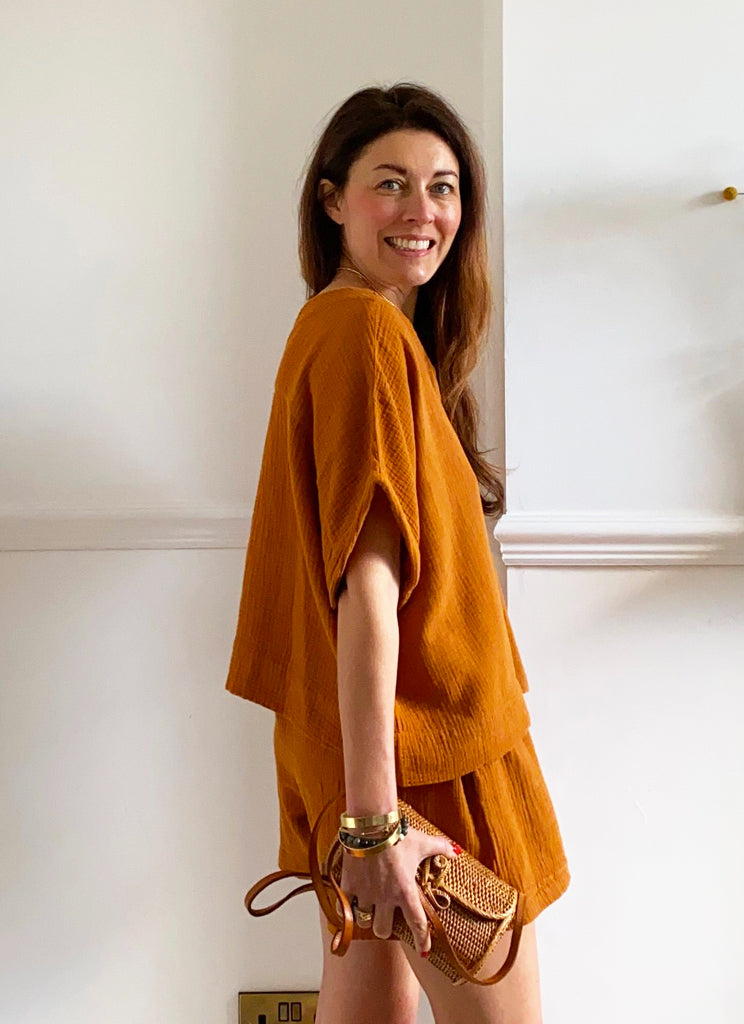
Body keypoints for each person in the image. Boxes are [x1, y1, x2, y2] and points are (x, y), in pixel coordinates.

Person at [225, 82, 570, 1024]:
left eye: (443, 187)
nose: (423, 210)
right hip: (422, 763)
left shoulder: (337, 327)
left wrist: (359, 810)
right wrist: (377, 823)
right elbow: (366, 589)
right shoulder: (364, 332)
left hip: (365, 756)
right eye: (391, 183)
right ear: (332, 199)